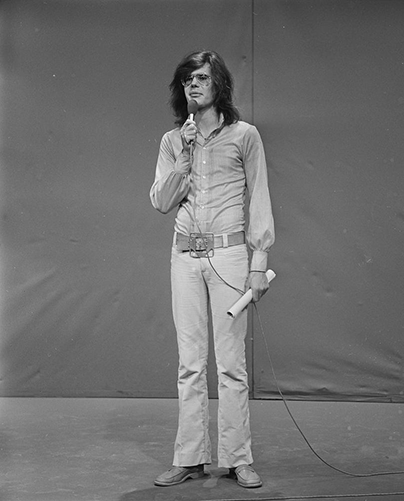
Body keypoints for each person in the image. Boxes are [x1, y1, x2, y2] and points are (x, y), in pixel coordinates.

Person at [149, 50, 275, 489]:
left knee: (232, 365)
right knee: (189, 364)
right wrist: (182, 160)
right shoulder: (173, 141)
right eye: (187, 80)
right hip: (184, 257)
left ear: (218, 83)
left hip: (229, 256)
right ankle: (190, 458)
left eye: (202, 78)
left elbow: (259, 197)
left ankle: (238, 459)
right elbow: (161, 202)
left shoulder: (245, 136)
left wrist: (259, 263)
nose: (194, 85)